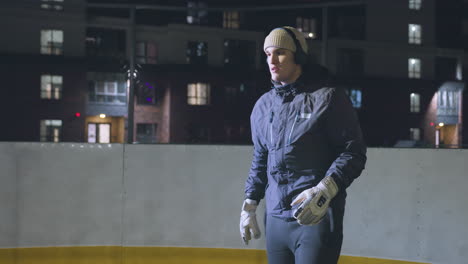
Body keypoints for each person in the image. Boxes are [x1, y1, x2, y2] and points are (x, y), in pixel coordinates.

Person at [239, 26, 367, 264]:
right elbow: (261, 158)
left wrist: (325, 190)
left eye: (280, 52)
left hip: (315, 218)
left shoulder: (327, 98)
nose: (272, 60)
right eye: (267, 54)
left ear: (298, 56)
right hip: (276, 219)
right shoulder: (263, 106)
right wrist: (250, 204)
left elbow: (353, 152)